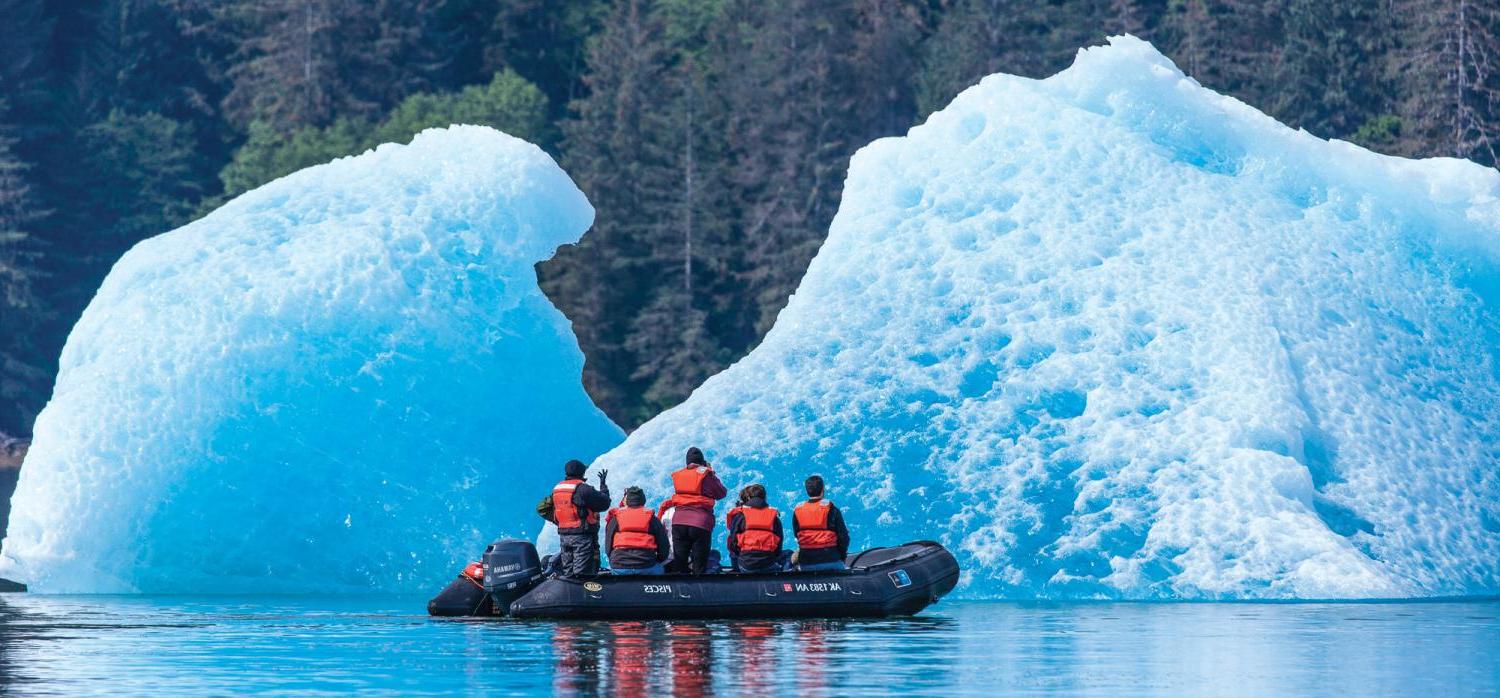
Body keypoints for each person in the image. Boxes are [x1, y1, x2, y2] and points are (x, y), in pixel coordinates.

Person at [537, 459, 611, 577]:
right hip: (581, 537)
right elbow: (605, 503)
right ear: (581, 473)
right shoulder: (584, 489)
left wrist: (559, 520)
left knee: (568, 573)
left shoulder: (558, 490)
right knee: (583, 575)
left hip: (564, 537)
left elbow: (541, 508)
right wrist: (603, 485)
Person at [661, 447, 727, 574]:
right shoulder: (705, 474)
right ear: (702, 461)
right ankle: (698, 591)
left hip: (679, 522)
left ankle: (677, 591)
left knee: (680, 563)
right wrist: (711, 472)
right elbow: (721, 493)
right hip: (700, 522)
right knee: (699, 563)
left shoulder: (678, 474)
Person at [604, 486, 670, 575]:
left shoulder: (615, 519)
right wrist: (657, 560)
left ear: (627, 501)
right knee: (661, 568)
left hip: (619, 566)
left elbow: (608, 546)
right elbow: (664, 547)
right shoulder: (652, 519)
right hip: (646, 566)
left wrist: (615, 560)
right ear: (643, 501)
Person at [792, 474, 850, 571]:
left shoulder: (798, 511)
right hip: (832, 560)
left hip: (807, 563)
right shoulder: (832, 509)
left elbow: (797, 535)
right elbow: (843, 537)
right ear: (823, 489)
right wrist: (842, 556)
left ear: (807, 491)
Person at [726, 484, 784, 573]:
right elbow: (779, 546)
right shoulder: (774, 517)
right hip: (768, 565)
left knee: (732, 552)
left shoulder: (740, 516)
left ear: (748, 497)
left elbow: (734, 543)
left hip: (746, 565)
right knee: (787, 554)